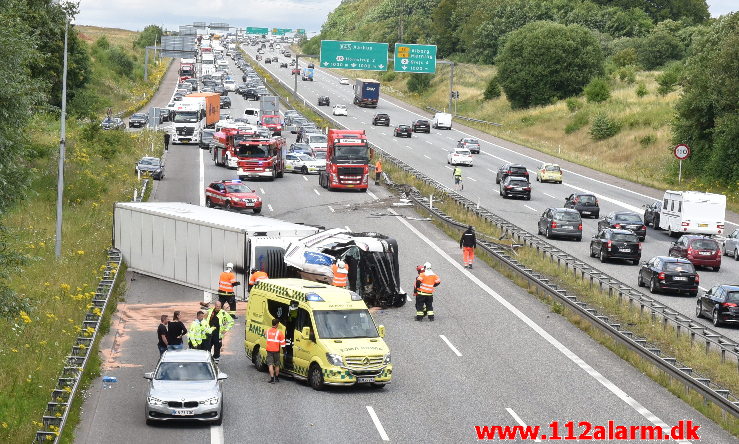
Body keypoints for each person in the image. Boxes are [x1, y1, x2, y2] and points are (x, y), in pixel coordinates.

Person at [265, 318, 285, 383]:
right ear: (277, 324)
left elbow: (265, 336)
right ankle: (276, 378)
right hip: (276, 351)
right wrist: (284, 351)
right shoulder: (279, 333)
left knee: (270, 364)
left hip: (269, 350)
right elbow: (283, 344)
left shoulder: (267, 331)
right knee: (277, 365)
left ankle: (272, 378)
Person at [283, 301, 299, 370]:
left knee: (289, 347)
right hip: (290, 331)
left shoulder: (290, 310)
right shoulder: (294, 311)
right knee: (289, 348)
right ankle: (288, 364)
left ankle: (288, 364)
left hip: (289, 331)